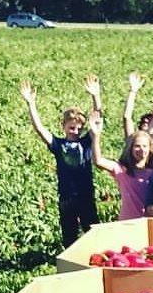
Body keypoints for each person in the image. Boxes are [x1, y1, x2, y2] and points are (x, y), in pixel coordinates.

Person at [19, 79, 98, 247]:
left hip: (86, 196)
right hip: (67, 198)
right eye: (71, 128)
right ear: (63, 126)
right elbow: (40, 129)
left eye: (78, 129)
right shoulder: (58, 145)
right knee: (69, 239)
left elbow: (98, 120)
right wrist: (31, 104)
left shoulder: (86, 143)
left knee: (94, 234)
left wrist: (95, 96)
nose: (75, 132)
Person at [88, 110, 153, 221]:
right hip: (127, 223)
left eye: (144, 146)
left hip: (149, 224)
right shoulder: (122, 170)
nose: (141, 149)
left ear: (149, 148)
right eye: (137, 146)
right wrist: (96, 137)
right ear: (130, 148)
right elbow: (98, 161)